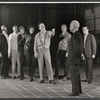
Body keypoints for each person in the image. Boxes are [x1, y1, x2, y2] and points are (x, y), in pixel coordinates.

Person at [67, 20, 83, 96]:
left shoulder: (74, 36)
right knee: (77, 75)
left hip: (73, 59)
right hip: (76, 59)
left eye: (70, 25)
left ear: (73, 26)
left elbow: (77, 48)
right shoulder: (79, 34)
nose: (69, 27)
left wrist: (79, 56)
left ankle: (75, 91)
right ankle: (79, 90)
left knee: (74, 76)